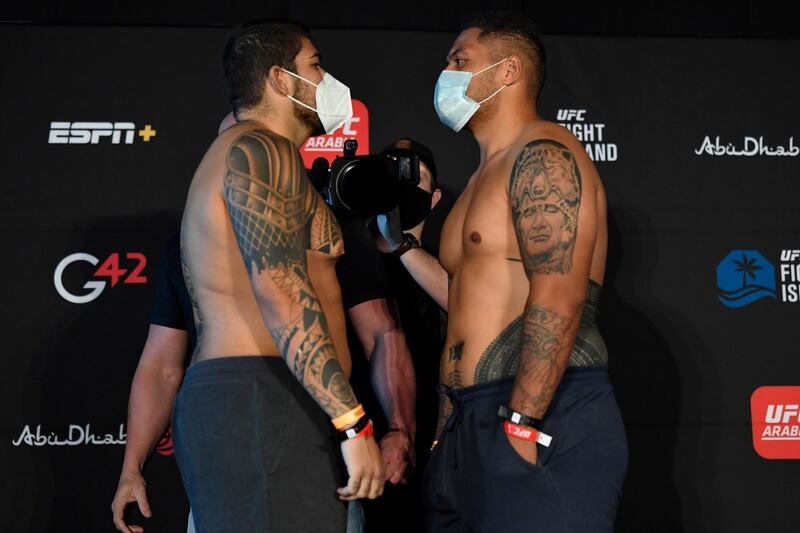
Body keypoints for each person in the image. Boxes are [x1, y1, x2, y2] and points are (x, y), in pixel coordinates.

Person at [379, 12, 627, 532]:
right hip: (465, 422)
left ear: (509, 71)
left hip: (540, 409)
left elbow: (559, 292)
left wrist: (522, 424)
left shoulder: (544, 153)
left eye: (460, 59)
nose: (447, 71)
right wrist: (397, 245)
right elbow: (466, 299)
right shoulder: (477, 180)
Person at [176, 20, 384, 532]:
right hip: (259, 396)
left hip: (278, 399)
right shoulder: (260, 149)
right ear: (281, 79)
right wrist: (352, 423)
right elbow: (280, 292)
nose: (328, 79)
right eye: (315, 65)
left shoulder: (268, 154)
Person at [333, 138, 444, 531]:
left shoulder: (449, 268)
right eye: (390, 175)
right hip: (351, 451)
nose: (399, 188)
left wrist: (402, 246)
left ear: (434, 198)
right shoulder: (337, 260)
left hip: (434, 455)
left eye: (412, 177)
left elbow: (464, 305)